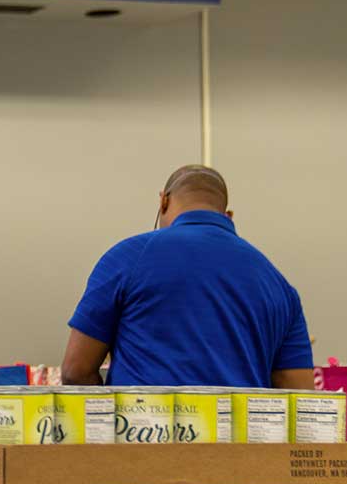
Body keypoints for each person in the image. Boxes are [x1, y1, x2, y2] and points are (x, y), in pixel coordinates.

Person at [62, 164, 314, 389]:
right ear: (227, 216)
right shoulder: (277, 284)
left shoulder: (126, 258)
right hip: (240, 441)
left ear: (163, 201)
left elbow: (76, 371)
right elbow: (299, 395)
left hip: (143, 437)